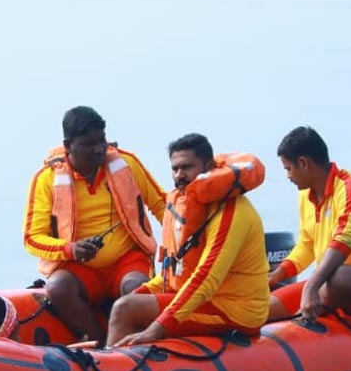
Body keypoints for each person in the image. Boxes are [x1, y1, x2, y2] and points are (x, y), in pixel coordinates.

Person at [107, 133, 270, 348]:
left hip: (236, 310)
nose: (179, 175)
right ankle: (111, 359)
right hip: (207, 300)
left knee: (126, 309)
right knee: (125, 303)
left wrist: (158, 328)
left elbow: (206, 278)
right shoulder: (185, 205)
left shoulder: (231, 211)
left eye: (186, 167)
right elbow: (172, 272)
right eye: (175, 169)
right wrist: (139, 294)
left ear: (209, 165)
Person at [22, 106, 167, 344]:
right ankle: (98, 342)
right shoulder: (46, 179)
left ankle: (128, 345)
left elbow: (162, 206)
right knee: (58, 287)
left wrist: (179, 246)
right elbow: (32, 237)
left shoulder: (126, 164)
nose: (99, 149)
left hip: (127, 261)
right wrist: (72, 249)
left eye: (102, 141)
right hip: (81, 269)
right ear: (68, 146)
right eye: (90, 144)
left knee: (138, 288)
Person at [268, 126, 351, 323]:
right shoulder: (305, 195)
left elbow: (342, 243)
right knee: (263, 308)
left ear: (303, 163)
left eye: (288, 168)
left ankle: (302, 317)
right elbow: (307, 244)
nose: (288, 176)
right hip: (326, 284)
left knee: (341, 277)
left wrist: (310, 288)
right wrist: (277, 275)